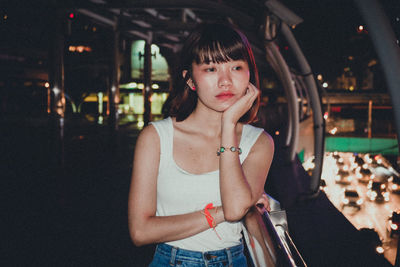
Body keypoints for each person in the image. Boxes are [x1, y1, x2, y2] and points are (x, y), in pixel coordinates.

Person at [128, 23, 274, 266]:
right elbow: (140, 232)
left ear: (250, 74)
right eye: (211, 68)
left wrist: (228, 125)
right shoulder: (156, 138)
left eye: (236, 67)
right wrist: (218, 212)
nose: (225, 81)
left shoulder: (258, 142)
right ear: (190, 79)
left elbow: (236, 208)